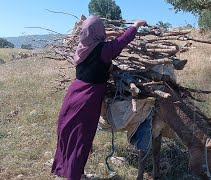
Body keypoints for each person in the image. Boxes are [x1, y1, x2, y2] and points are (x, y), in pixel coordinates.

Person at [51, 16, 147, 180]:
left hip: (73, 93)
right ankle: (74, 175)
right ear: (97, 32)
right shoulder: (103, 50)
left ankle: (68, 170)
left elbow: (95, 37)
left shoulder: (82, 46)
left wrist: (110, 32)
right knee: (82, 136)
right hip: (88, 97)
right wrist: (135, 26)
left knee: (68, 132)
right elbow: (121, 42)